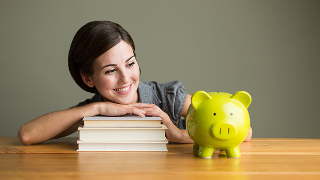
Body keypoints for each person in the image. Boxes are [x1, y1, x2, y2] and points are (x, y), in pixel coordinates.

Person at [18, 21, 252, 146]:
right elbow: (27, 135)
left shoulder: (168, 96)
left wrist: (178, 134)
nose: (125, 78)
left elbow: (244, 132)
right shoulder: (90, 111)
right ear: (88, 78)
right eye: (110, 71)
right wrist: (97, 108)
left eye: (130, 64)